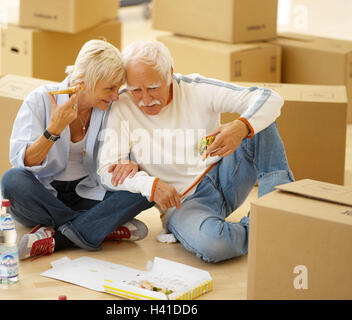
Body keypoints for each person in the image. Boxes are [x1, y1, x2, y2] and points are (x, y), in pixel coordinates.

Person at [97, 40, 295, 263]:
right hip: (185, 203)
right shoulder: (122, 106)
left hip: (226, 174)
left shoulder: (195, 89)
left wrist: (241, 127)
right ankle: (265, 228)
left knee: (261, 122)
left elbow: (269, 97)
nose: (144, 100)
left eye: (153, 88)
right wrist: (150, 185)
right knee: (215, 244)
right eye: (136, 90)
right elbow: (106, 172)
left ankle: (278, 212)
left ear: (169, 74)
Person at [1, 40, 154, 260]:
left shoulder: (113, 109)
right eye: (109, 88)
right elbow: (22, 162)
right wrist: (54, 129)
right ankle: (100, 226)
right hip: (43, 194)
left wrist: (133, 162)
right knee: (12, 180)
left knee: (147, 184)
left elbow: (130, 151)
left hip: (91, 191)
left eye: (117, 88)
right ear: (83, 83)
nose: (115, 96)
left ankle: (60, 236)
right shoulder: (39, 100)